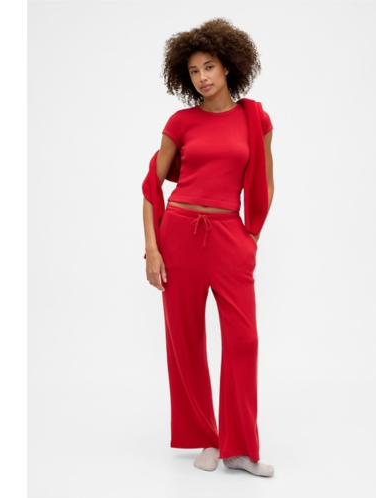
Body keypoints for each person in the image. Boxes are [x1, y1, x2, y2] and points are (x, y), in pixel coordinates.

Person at [142, 18, 275, 478]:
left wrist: (251, 236)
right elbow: (151, 186)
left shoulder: (255, 119)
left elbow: (265, 183)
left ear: (229, 65)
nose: (202, 77)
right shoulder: (180, 122)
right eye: (194, 70)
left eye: (210, 66)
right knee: (185, 338)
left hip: (229, 236)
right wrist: (152, 250)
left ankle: (240, 447)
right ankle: (208, 438)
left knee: (244, 340)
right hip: (179, 234)